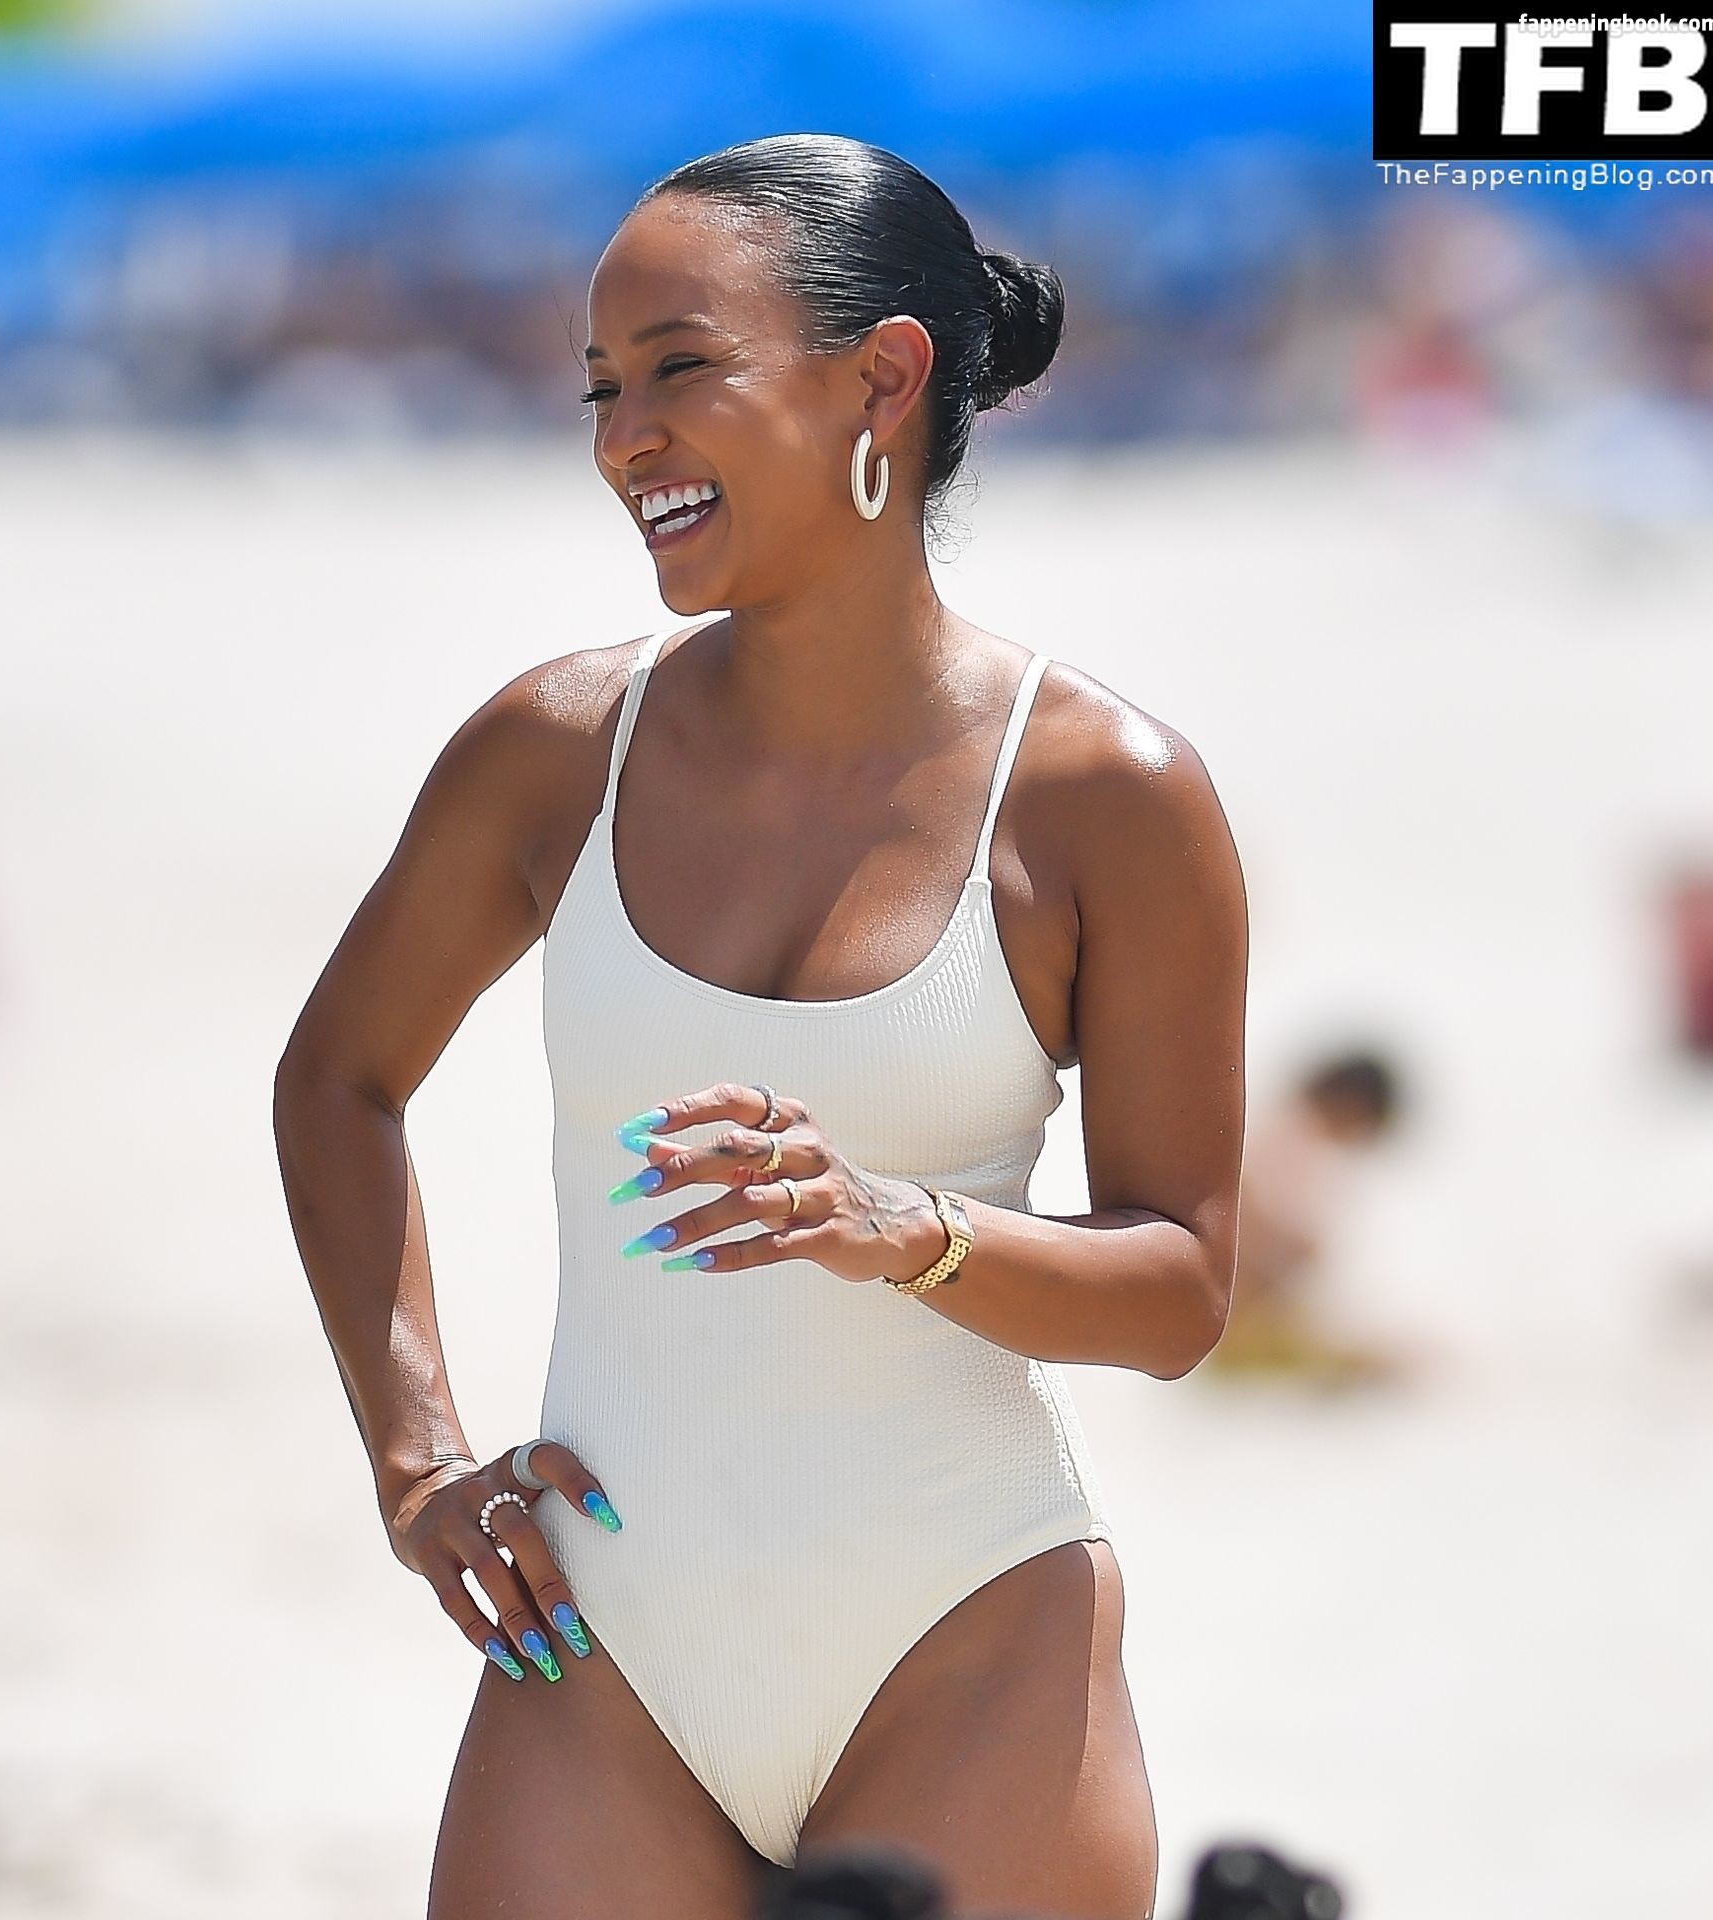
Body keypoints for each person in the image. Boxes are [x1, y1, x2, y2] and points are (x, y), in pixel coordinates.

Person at [273, 132, 1249, 1920]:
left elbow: (1179, 1288)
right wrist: (416, 1463)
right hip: (602, 1652)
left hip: (965, 1640)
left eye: (678, 370)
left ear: (882, 378)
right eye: (600, 388)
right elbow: (338, 1079)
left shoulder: (1105, 794)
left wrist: (904, 1227)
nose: (621, 440)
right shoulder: (553, 753)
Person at [1200, 1049, 1412, 1390]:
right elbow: (1254, 1224)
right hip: (1231, 1324)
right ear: (1354, 1110)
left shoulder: (1271, 1123)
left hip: (1237, 1323)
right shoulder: (1294, 1136)